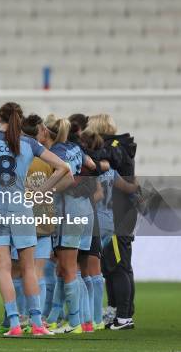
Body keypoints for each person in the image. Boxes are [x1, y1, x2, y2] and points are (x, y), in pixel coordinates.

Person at [0, 103, 68, 337]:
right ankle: (37, 324)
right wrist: (41, 192)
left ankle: (14, 324)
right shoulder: (29, 143)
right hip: (22, 209)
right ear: (20, 118)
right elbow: (63, 167)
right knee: (28, 268)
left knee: (4, 269)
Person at [43, 114, 98, 334]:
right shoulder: (75, 147)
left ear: (46, 132)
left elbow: (64, 178)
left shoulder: (54, 154)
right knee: (69, 268)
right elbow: (92, 165)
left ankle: (74, 322)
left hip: (69, 211)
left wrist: (43, 191)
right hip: (85, 210)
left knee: (68, 268)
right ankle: (86, 321)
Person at [86, 114, 138, 330]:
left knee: (118, 267)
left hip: (116, 216)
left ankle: (124, 316)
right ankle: (118, 311)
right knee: (116, 266)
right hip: (119, 213)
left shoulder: (114, 150)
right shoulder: (118, 149)